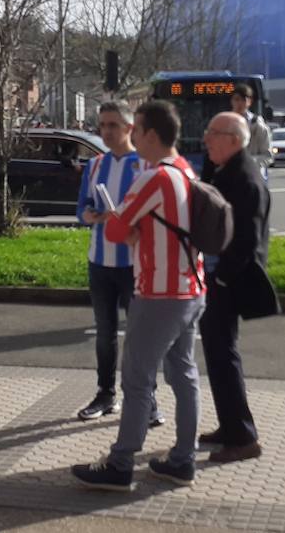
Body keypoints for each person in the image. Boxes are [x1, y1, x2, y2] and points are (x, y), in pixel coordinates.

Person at [71, 100, 205, 491]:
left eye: (133, 127)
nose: (121, 134)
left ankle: (121, 463)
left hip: (158, 291)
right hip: (190, 286)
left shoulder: (152, 177)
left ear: (147, 134)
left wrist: (122, 225)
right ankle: (183, 459)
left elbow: (115, 230)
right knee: (184, 374)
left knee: (136, 378)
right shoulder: (184, 170)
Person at [74, 101, 164, 425]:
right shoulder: (95, 165)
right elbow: (81, 207)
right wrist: (90, 215)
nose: (106, 131)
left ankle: (147, 399)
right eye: (102, 125)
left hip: (135, 266)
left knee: (140, 336)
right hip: (100, 262)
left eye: (113, 125)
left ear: (129, 129)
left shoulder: (144, 165)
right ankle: (105, 394)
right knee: (105, 333)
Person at [199, 111, 277, 464]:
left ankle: (243, 436)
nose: (205, 139)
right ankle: (230, 427)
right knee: (218, 354)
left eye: (212, 133)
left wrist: (222, 278)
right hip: (220, 277)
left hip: (228, 280)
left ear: (232, 139)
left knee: (223, 355)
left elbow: (246, 240)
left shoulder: (244, 177)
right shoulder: (226, 170)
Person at [230, 83, 271, 175]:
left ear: (249, 101)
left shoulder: (258, 125)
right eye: (236, 99)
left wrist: (248, 161)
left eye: (244, 100)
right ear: (231, 101)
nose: (239, 103)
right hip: (231, 175)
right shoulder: (225, 122)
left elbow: (267, 156)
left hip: (253, 175)